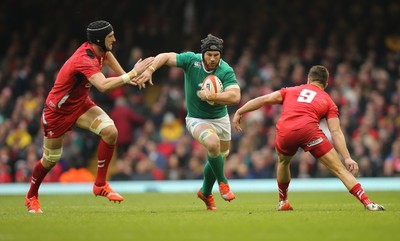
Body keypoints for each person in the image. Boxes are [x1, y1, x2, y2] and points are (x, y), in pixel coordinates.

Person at [24, 20, 153, 213]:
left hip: (80, 104)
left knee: (110, 132)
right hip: (58, 112)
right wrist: (132, 74)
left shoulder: (100, 51)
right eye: (111, 37)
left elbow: (108, 57)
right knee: (50, 159)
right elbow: (102, 86)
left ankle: (100, 185)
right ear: (99, 40)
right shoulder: (84, 59)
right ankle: (31, 196)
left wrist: (127, 76)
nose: (115, 39)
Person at [232, 65, 385, 211]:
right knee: (339, 169)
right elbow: (336, 131)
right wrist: (347, 157)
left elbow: (263, 99)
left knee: (283, 162)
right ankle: (368, 203)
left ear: (308, 79)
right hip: (309, 131)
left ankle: (283, 201)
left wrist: (240, 111)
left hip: (286, 130)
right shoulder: (328, 101)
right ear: (325, 83)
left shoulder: (291, 90)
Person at [137, 34, 241, 210]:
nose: (213, 59)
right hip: (196, 118)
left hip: (221, 119)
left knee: (220, 156)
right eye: (209, 55)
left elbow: (235, 96)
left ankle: (205, 192)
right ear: (203, 54)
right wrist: (151, 69)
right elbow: (165, 56)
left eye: (216, 55)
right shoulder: (191, 61)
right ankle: (223, 183)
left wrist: (213, 96)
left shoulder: (225, 70)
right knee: (212, 144)